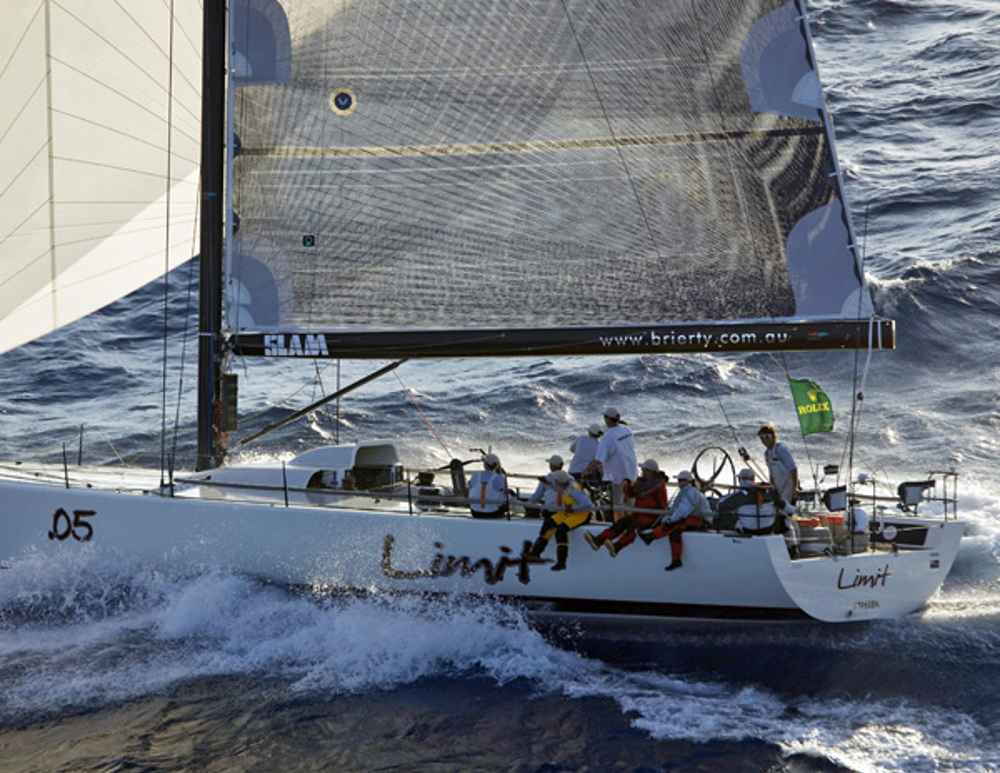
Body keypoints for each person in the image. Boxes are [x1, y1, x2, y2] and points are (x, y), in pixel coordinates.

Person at [583, 458, 668, 557]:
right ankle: (598, 540)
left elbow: (640, 490)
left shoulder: (657, 483)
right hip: (639, 513)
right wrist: (627, 485)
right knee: (621, 523)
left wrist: (630, 485)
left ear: (649, 471)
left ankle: (617, 547)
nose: (642, 472)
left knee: (632, 527)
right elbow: (631, 494)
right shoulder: (644, 481)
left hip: (652, 515)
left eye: (644, 470)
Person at [639, 469, 711, 571]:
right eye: (679, 480)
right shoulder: (682, 493)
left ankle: (652, 536)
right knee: (675, 532)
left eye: (681, 480)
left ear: (688, 482)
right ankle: (676, 560)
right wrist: (665, 519)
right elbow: (674, 509)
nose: (679, 482)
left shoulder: (692, 493)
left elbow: (683, 511)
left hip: (702, 520)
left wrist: (670, 520)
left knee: (676, 524)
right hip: (690, 518)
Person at [524, 470, 592, 571]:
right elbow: (556, 487)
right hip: (568, 512)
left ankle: (561, 562)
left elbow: (587, 504)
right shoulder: (564, 485)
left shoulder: (574, 491)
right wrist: (547, 483)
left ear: (560, 482)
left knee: (561, 531)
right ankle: (535, 553)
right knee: (548, 523)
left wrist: (574, 508)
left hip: (581, 514)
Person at [583, 408, 637, 522]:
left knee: (618, 506)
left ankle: (618, 528)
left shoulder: (606, 438)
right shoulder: (627, 430)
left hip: (618, 478)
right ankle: (633, 526)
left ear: (607, 419)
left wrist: (586, 471)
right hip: (632, 474)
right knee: (631, 505)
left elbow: (598, 461)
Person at [715, 468, 787, 534]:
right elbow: (782, 504)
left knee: (732, 520)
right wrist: (794, 512)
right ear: (753, 479)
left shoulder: (740, 495)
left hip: (749, 530)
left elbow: (720, 506)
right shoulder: (768, 492)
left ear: (740, 480)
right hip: (768, 529)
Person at [758, 423, 799, 506]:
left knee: (784, 510)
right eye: (762, 438)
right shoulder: (767, 453)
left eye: (767, 437)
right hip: (778, 487)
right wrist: (771, 487)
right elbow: (771, 472)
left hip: (788, 485)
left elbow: (793, 468)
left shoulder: (780, 449)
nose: (764, 440)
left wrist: (795, 487)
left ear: (773, 437)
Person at [467, 453, 509, 518]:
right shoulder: (501, 478)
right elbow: (505, 492)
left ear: (485, 465)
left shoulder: (475, 475)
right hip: (494, 513)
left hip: (475, 512)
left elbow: (470, 488)